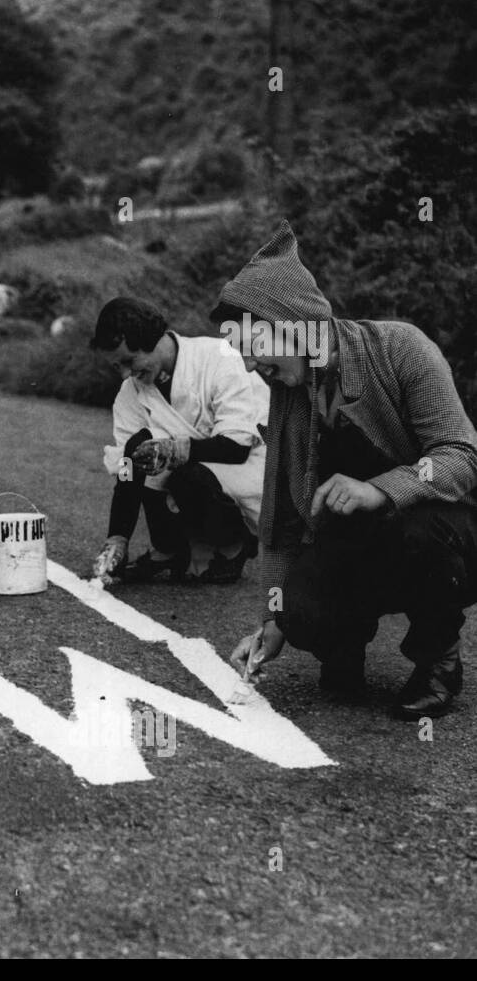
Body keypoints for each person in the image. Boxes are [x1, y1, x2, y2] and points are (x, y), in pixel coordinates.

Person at [221, 220, 477, 719]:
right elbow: (283, 521)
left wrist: (380, 490)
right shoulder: (290, 395)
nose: (251, 366)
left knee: (418, 532)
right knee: (302, 612)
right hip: (367, 542)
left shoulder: (402, 348)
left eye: (254, 347)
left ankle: (438, 660)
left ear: (297, 324)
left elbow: (462, 456)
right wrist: (277, 620)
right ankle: (345, 642)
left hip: (453, 532)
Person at [90, 296, 269, 584]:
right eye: (116, 366)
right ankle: (169, 550)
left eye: (129, 361)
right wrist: (117, 537)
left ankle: (233, 546)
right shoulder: (130, 393)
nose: (125, 374)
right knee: (139, 453)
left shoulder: (219, 357)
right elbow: (126, 465)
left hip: (254, 467)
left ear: (152, 340)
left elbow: (237, 448)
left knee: (185, 475)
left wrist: (177, 450)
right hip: (201, 471)